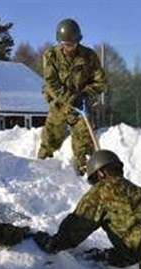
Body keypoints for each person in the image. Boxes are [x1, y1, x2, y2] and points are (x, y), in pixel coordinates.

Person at [37, 18, 106, 175]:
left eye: (73, 43)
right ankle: (40, 171)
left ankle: (83, 173)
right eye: (66, 44)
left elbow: (101, 82)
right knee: (50, 138)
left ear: (78, 40)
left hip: (82, 106)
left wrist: (85, 95)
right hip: (60, 104)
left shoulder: (89, 56)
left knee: (84, 140)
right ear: (60, 42)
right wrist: (70, 98)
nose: (70, 47)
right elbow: (51, 84)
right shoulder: (51, 56)